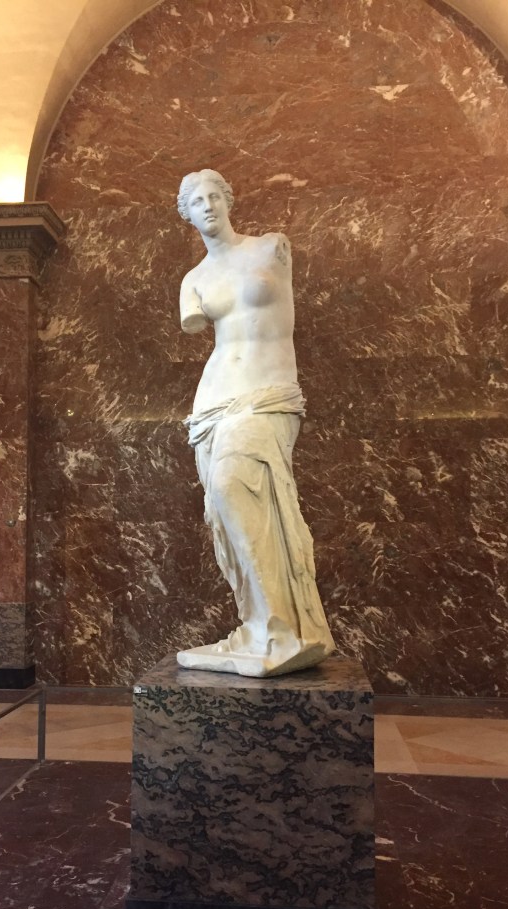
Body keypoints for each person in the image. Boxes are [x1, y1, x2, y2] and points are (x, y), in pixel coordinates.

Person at [176, 168, 335, 678]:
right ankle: (262, 625)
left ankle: (284, 627)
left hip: (269, 394)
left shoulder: (271, 248)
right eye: (196, 200)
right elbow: (197, 324)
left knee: (231, 484)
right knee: (227, 509)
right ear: (187, 214)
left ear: (228, 200)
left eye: (214, 195)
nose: (207, 205)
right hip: (214, 402)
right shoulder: (193, 281)